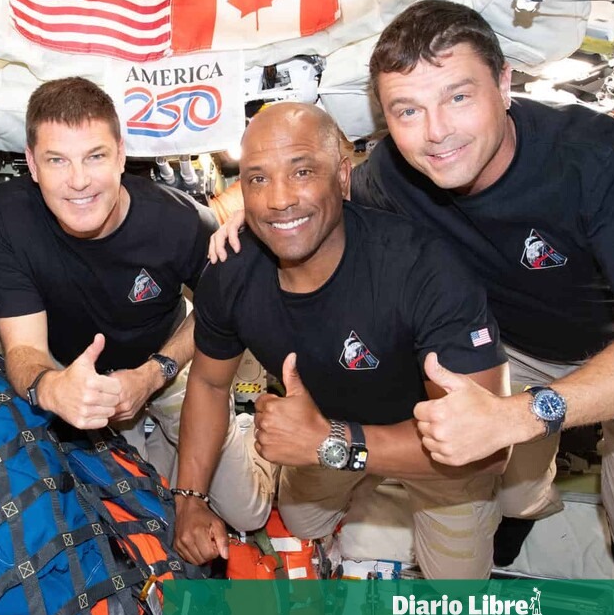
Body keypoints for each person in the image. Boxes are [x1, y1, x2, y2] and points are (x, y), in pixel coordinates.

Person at [211, 0, 614, 576]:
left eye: (458, 97)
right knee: (511, 492)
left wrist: (523, 416)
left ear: (504, 84)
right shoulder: (393, 174)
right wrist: (259, 212)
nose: (436, 133)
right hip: (512, 352)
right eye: (408, 110)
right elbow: (317, 190)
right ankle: (527, 507)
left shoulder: (599, 160)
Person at [176, 102, 509, 578]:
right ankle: (361, 478)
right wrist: (190, 497)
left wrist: (330, 443)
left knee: (458, 588)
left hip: (438, 447)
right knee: (302, 522)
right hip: (327, 428)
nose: (279, 200)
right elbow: (209, 383)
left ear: (343, 177)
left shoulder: (424, 269)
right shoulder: (231, 273)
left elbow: (488, 451)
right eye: (258, 179)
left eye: (302, 171)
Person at [0, 77, 273, 532]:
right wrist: (53, 389)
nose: (79, 181)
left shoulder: (178, 221)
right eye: (57, 160)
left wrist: (153, 374)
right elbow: (24, 349)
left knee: (247, 514)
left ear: (120, 155)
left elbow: (218, 309)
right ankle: (152, 440)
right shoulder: (7, 216)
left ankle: (239, 425)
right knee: (129, 509)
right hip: (74, 371)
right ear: (32, 164)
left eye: (94, 156)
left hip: (165, 360)